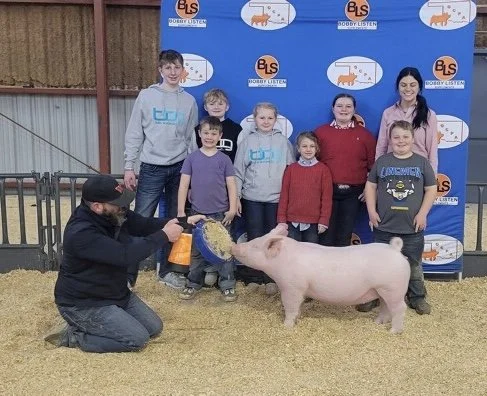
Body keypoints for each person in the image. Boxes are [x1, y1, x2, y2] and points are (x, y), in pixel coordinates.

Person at [44, 174, 205, 353]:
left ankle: (96, 325)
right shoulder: (82, 233)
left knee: (154, 328)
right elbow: (125, 255)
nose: (124, 206)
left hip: (114, 291)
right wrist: (164, 236)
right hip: (84, 302)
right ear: (97, 206)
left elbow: (144, 225)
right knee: (137, 340)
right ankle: (74, 336)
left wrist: (184, 222)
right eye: (117, 203)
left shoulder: (115, 214)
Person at [123, 49, 198, 289]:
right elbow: (135, 132)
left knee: (177, 220)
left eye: (177, 67)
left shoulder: (188, 101)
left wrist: (192, 172)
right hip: (152, 167)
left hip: (179, 168)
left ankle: (169, 272)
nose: (173, 72)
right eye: (168, 68)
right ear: (160, 70)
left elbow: (191, 138)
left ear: (183, 70)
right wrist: (129, 165)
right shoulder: (146, 96)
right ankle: (127, 275)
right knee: (140, 219)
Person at [360, 120, 436, 315]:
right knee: (378, 266)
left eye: (405, 137)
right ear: (390, 139)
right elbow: (370, 186)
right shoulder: (382, 162)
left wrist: (422, 213)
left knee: (413, 264)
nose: (400, 141)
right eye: (396, 137)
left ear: (412, 139)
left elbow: (431, 189)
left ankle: (417, 298)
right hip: (384, 226)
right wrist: (371, 211)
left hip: (412, 227)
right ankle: (374, 297)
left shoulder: (422, 162)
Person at [234, 102, 295, 294]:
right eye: (262, 117)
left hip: (276, 200)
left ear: (276, 120)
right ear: (255, 119)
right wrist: (236, 196)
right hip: (252, 198)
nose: (266, 121)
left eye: (270, 118)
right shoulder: (247, 142)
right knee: (254, 238)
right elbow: (238, 172)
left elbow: (291, 171)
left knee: (273, 241)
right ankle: (254, 277)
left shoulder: (283, 142)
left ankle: (271, 278)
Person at [177, 116, 238, 301]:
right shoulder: (192, 158)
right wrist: (181, 211)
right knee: (196, 251)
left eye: (213, 133)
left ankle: (227, 284)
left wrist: (232, 208)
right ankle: (193, 283)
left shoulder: (224, 159)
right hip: (197, 215)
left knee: (224, 250)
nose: (209, 137)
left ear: (220, 136)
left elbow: (232, 186)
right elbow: (183, 185)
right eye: (206, 133)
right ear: (199, 134)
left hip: (221, 214)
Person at [314, 93, 376, 247]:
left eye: (348, 106)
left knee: (344, 236)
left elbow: (374, 166)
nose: (344, 109)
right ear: (333, 109)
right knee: (325, 237)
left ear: (354, 110)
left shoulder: (365, 136)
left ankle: (341, 271)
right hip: (327, 192)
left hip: (353, 195)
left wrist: (368, 189)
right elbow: (311, 162)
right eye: (339, 106)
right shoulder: (320, 133)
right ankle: (325, 271)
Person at [376, 66, 438, 173]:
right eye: (403, 85)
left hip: (419, 172)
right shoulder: (388, 113)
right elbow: (382, 147)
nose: (408, 89)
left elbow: (432, 151)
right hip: (391, 172)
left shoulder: (429, 115)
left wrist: (432, 179)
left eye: (412, 85)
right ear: (398, 87)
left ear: (419, 87)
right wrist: (377, 173)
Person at [277, 132, 333, 243]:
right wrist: (281, 219)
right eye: (304, 146)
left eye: (312, 146)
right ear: (298, 148)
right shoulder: (291, 169)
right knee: (292, 254)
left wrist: (324, 220)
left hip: (314, 223)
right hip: (291, 221)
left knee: (310, 256)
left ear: (317, 148)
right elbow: (284, 196)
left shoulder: (323, 170)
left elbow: (326, 199)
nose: (308, 149)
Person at [195, 88, 242, 163]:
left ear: (227, 107)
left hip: (229, 173)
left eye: (220, 104)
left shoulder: (236, 129)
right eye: (212, 104)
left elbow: (241, 157)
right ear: (205, 107)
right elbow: (192, 155)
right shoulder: (198, 129)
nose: (216, 107)